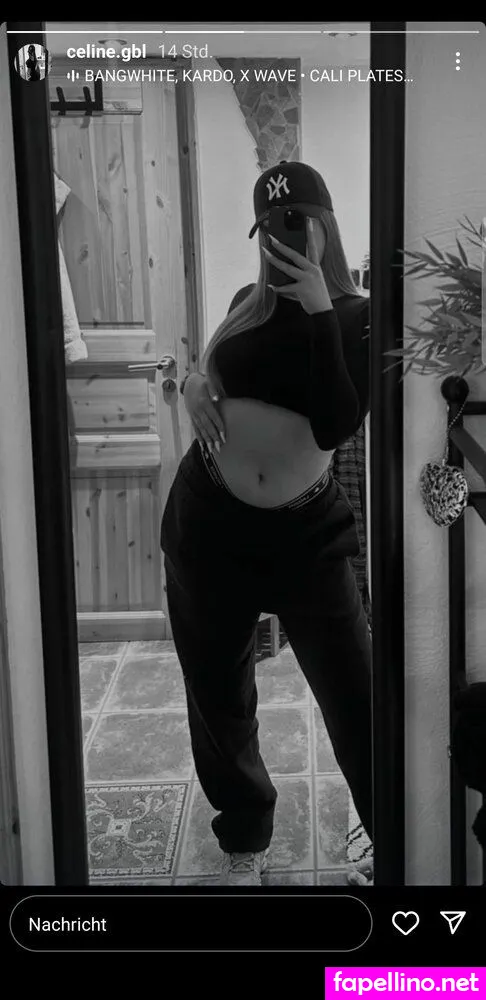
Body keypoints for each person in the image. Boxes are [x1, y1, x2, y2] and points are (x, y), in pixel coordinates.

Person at [160, 160, 372, 886]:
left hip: (306, 536)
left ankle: (388, 825)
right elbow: (212, 380)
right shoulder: (244, 303)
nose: (285, 235)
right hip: (209, 524)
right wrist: (192, 384)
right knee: (219, 695)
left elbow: (336, 421)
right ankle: (246, 839)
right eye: (271, 226)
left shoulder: (358, 316)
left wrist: (318, 310)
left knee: (355, 694)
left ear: (326, 226)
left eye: (298, 221)